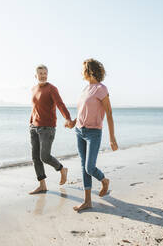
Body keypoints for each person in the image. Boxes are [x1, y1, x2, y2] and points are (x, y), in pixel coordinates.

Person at [71, 58, 118, 211]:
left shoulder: (101, 89)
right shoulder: (85, 89)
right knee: (83, 167)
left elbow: (109, 114)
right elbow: (81, 111)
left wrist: (112, 138)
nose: (81, 72)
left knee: (90, 167)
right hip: (79, 131)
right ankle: (87, 201)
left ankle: (104, 180)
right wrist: (73, 122)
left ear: (89, 71)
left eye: (83, 69)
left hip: (93, 133)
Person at [29, 64, 75, 194]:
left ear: (47, 74)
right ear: (36, 75)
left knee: (44, 156)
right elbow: (35, 108)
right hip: (34, 127)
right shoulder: (33, 89)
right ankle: (42, 185)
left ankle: (62, 169)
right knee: (35, 157)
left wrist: (67, 118)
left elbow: (60, 104)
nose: (43, 75)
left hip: (47, 128)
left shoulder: (52, 89)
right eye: (40, 73)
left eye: (45, 73)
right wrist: (31, 122)